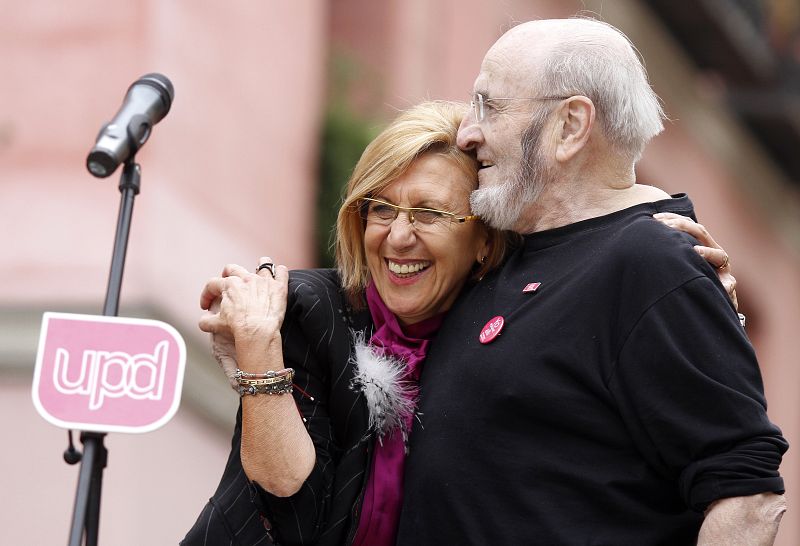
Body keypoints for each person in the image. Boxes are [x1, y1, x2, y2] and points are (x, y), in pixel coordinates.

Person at [181, 102, 737, 545]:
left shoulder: (503, 338)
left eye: (430, 213)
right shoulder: (309, 310)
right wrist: (258, 346)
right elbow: (284, 486)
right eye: (381, 209)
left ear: (484, 241)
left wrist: (693, 293)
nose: (399, 237)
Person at [395, 18, 788, 546]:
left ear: (571, 126)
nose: (467, 133)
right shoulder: (504, 251)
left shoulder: (652, 264)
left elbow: (748, 499)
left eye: (489, 106)